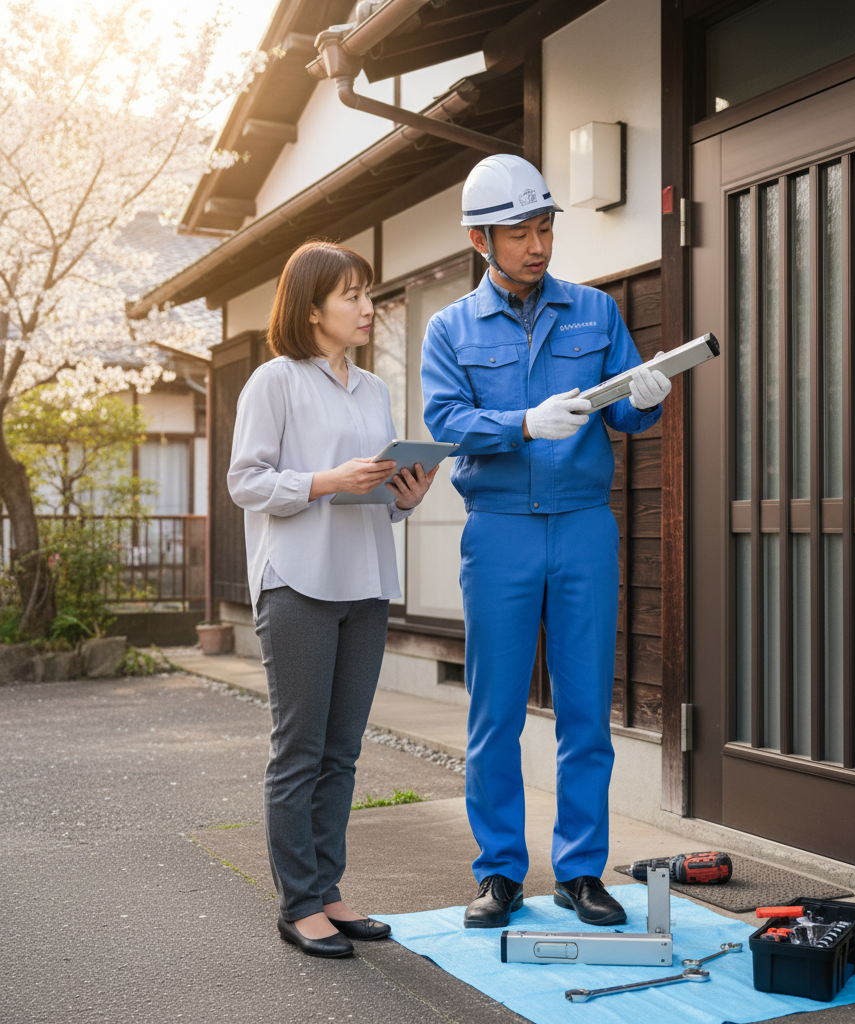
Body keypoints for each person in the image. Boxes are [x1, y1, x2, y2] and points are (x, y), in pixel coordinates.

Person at [420, 155, 672, 929]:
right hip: (499, 532)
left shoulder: (596, 312)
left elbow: (626, 414)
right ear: (479, 239)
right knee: (494, 709)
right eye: (519, 232)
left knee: (587, 707)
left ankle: (580, 872)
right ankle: (499, 872)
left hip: (585, 526)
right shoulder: (450, 328)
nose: (537, 244)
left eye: (545, 226)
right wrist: (522, 423)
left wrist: (648, 398)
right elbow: (445, 422)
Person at [228, 241, 437, 957]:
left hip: (367, 582)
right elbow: (246, 482)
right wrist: (324, 481)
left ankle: (328, 888)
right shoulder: (274, 381)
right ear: (311, 308)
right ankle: (298, 904)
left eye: (367, 292)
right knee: (300, 750)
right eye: (351, 294)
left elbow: (374, 493)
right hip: (299, 584)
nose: (366, 306)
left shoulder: (375, 390)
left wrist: (405, 496)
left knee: (342, 753)